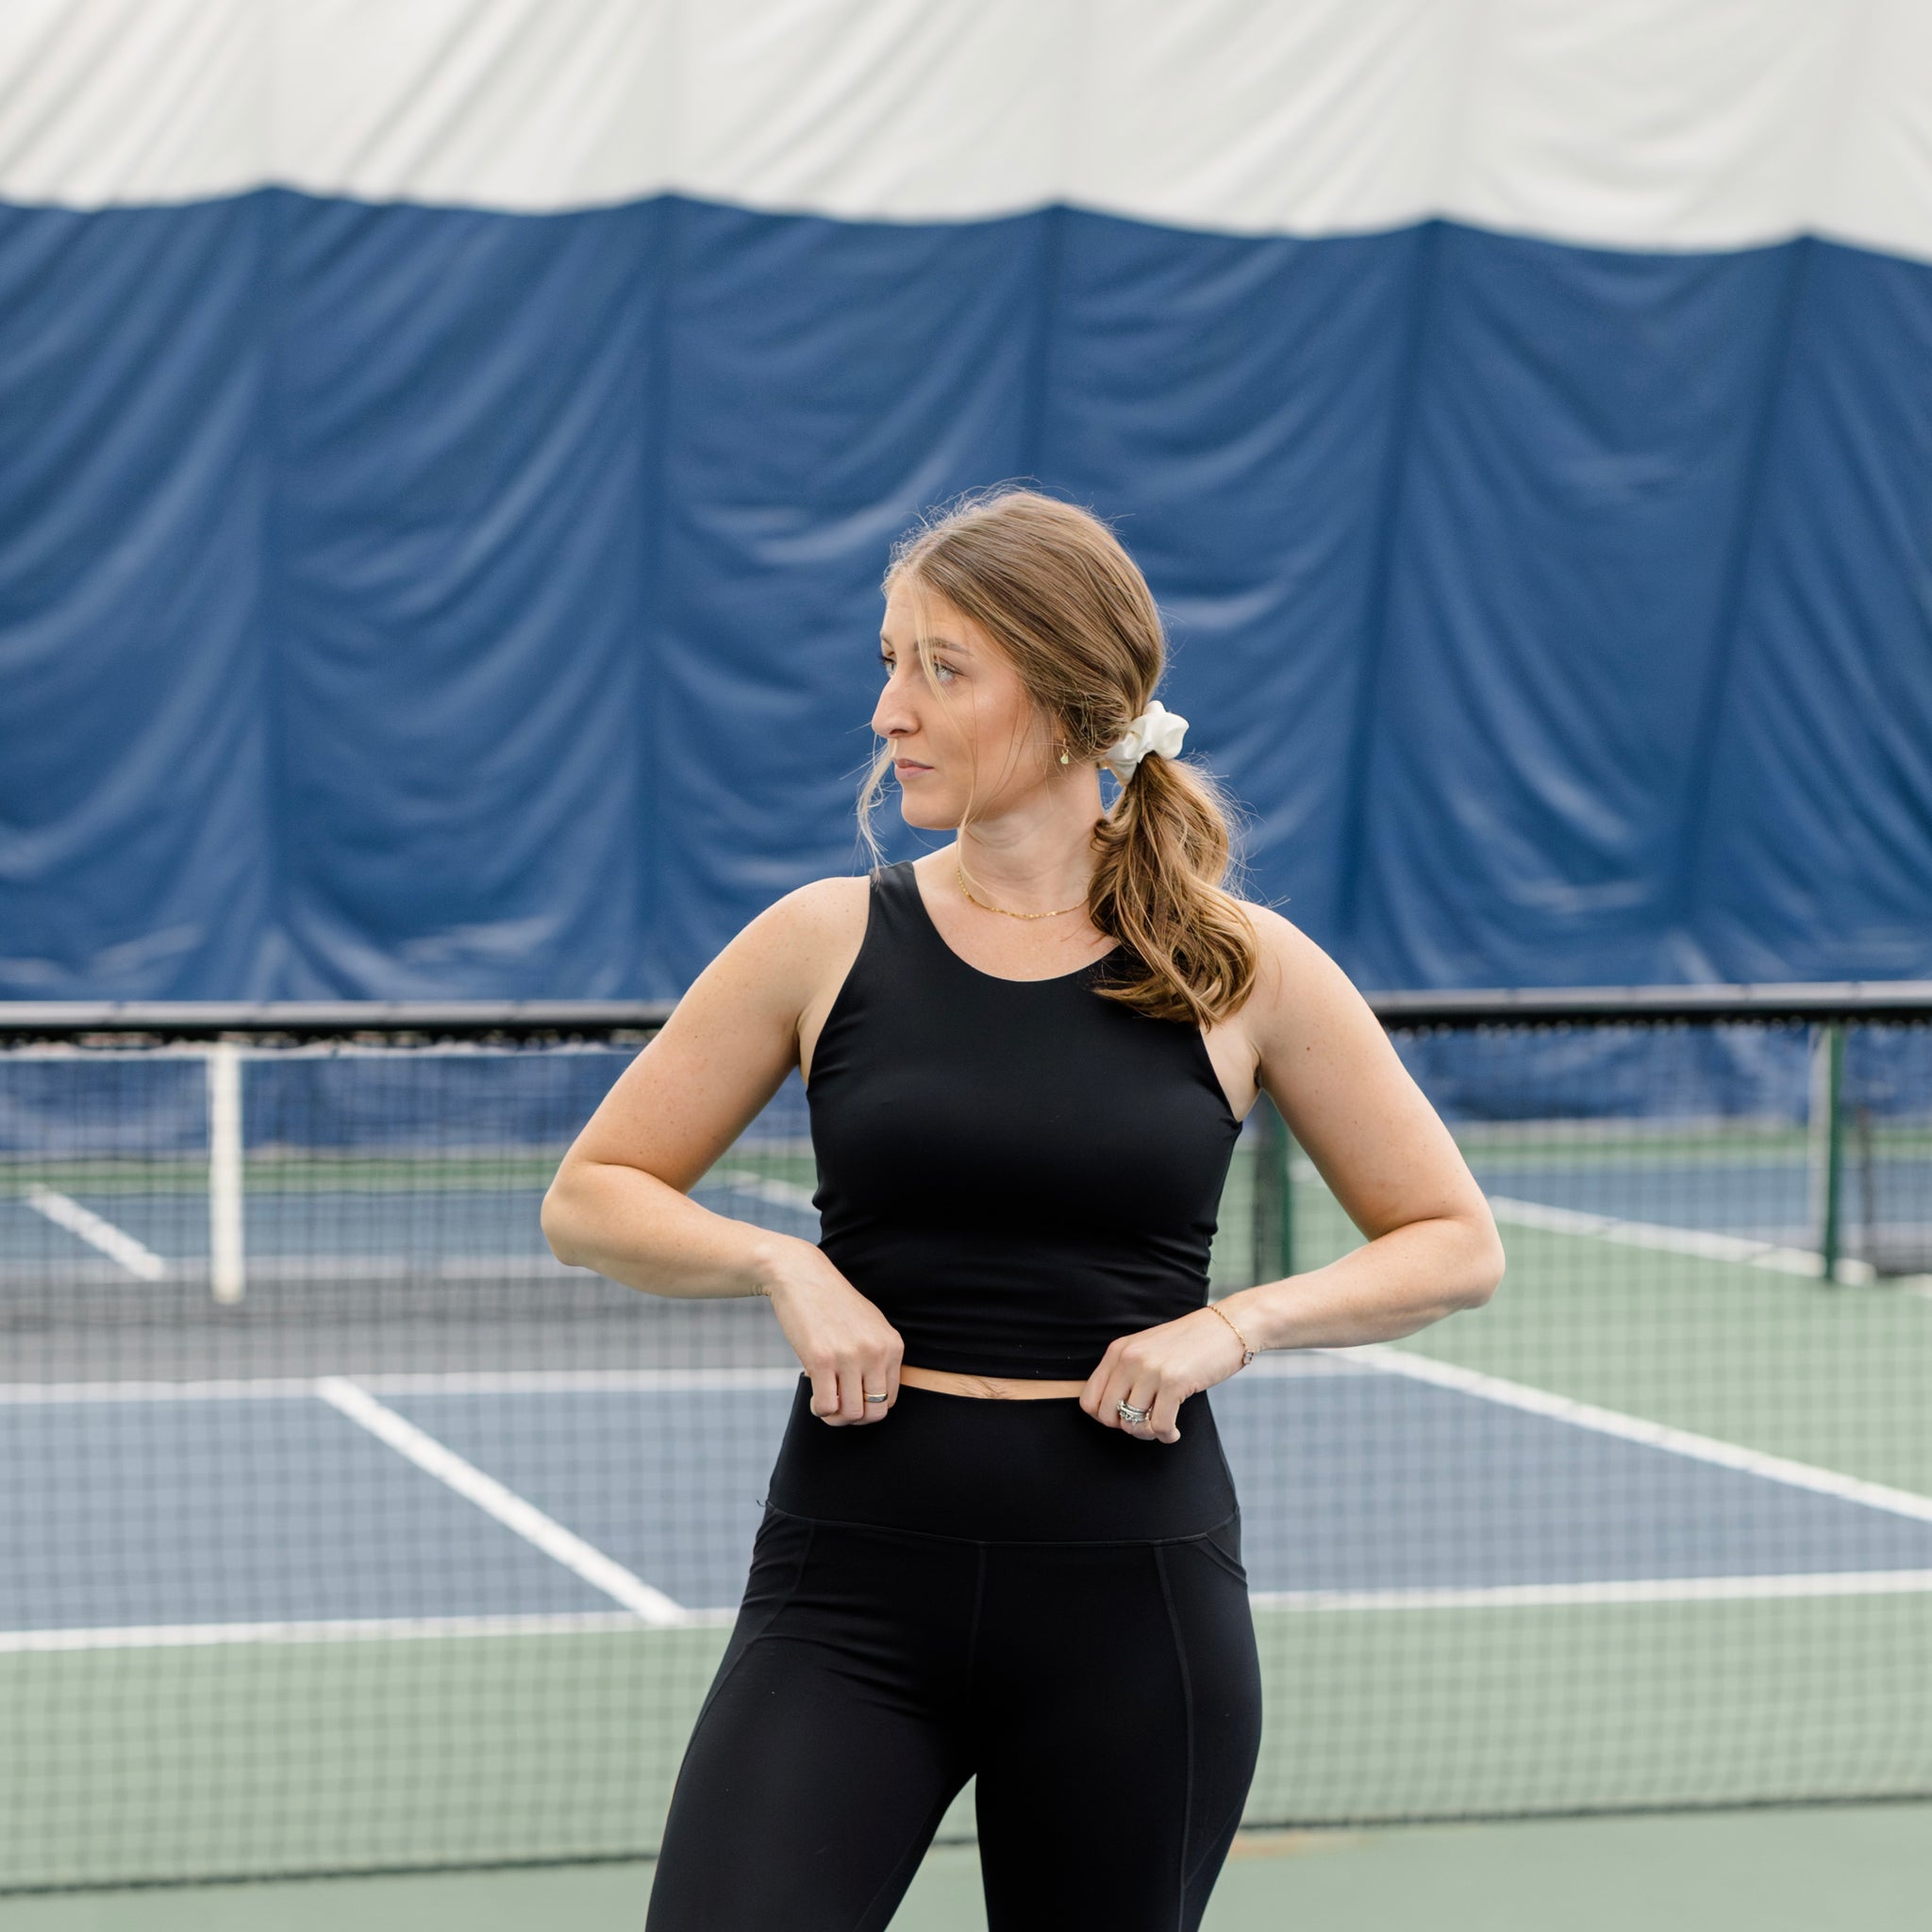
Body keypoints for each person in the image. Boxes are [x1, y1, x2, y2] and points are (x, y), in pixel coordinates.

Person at [541, 487, 1504, 1931]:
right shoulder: (821, 937)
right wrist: (777, 1268)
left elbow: (1453, 1243)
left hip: (1138, 1611)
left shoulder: (1244, 966)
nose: (889, 712)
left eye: (940, 668)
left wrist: (1232, 1326)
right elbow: (591, 1197)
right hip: (847, 1593)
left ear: (1064, 702)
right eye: (888, 662)